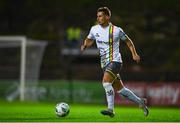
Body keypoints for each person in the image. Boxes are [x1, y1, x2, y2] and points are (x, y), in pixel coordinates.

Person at [81, 7, 149, 117]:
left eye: (101, 16)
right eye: (97, 16)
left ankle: (111, 110)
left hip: (115, 61)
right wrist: (85, 45)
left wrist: (134, 54)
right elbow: (89, 39)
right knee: (121, 90)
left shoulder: (116, 30)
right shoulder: (94, 29)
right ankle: (141, 102)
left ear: (107, 17)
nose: (98, 18)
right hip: (104, 63)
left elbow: (128, 42)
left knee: (106, 83)